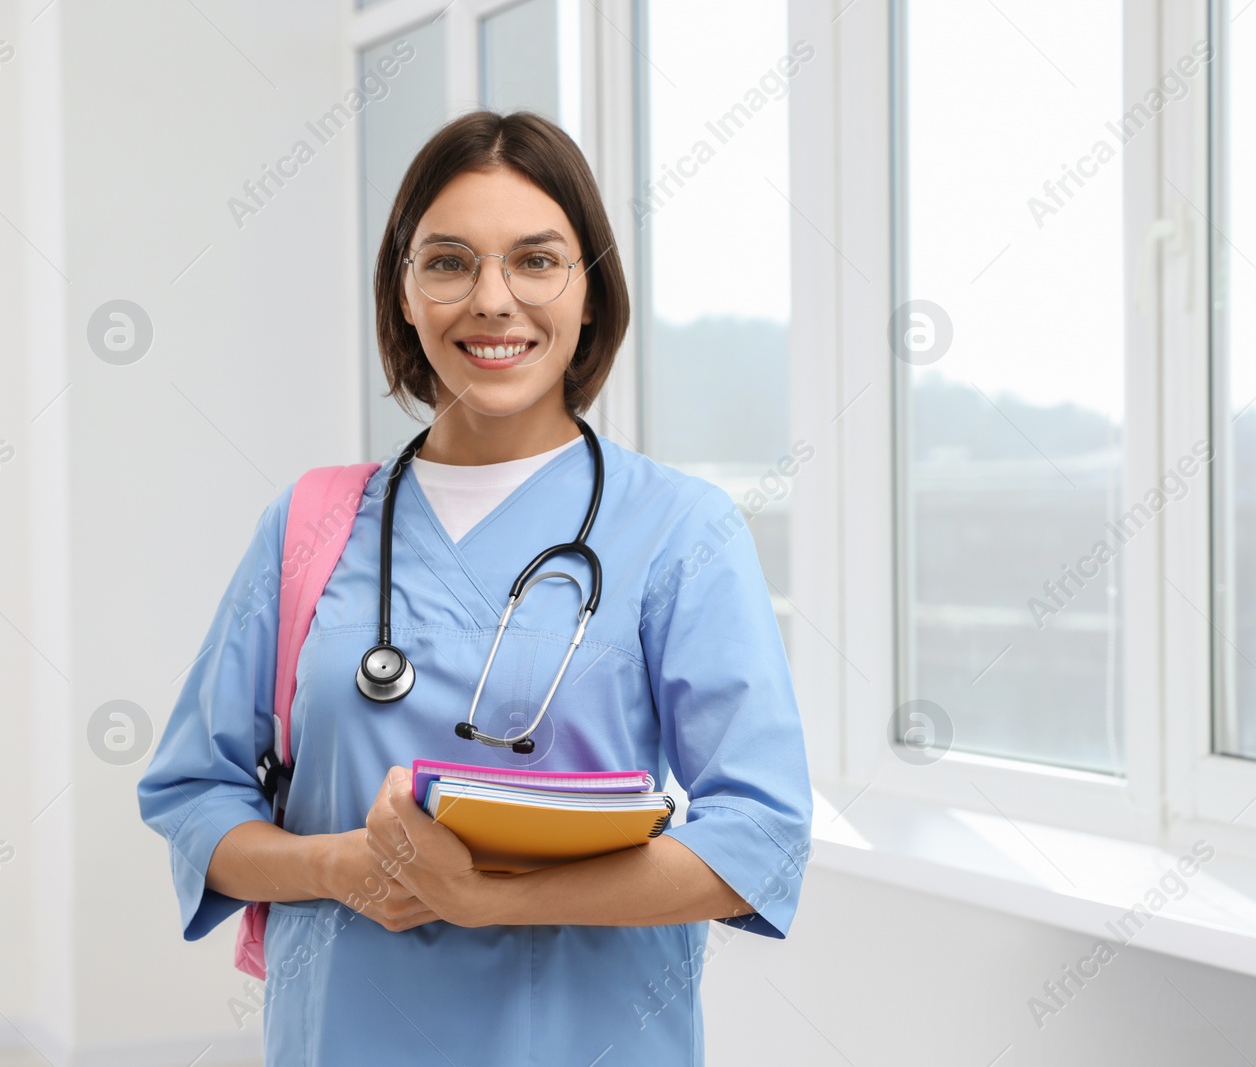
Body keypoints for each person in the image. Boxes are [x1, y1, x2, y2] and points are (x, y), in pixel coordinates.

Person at [137, 109, 813, 1065]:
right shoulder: (312, 522)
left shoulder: (682, 531)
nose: (493, 300)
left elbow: (760, 837)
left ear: (590, 292)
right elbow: (194, 794)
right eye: (449, 262)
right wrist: (339, 865)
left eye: (536, 261)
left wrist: (498, 896)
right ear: (406, 294)